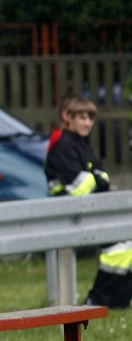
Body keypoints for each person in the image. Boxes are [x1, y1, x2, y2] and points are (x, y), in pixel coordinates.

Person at [43, 96, 130, 307]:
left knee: (126, 244)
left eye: (91, 118)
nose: (87, 123)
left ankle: (118, 299)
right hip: (71, 215)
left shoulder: (82, 146)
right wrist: (97, 179)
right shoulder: (63, 147)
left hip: (88, 212)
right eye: (82, 117)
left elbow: (103, 179)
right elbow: (80, 186)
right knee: (120, 248)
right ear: (67, 118)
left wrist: (97, 179)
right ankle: (98, 299)